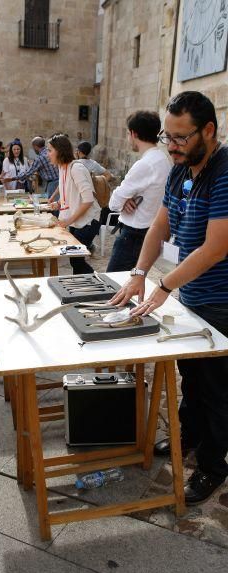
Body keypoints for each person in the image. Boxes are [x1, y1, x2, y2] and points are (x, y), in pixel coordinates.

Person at [110, 91, 228, 505]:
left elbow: (215, 247)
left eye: (180, 138)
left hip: (221, 300)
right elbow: (160, 227)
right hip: (193, 293)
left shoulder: (225, 171)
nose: (172, 146)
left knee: (216, 389)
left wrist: (163, 286)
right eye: (167, 137)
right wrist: (140, 273)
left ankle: (213, 466)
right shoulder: (180, 169)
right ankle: (189, 439)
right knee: (190, 377)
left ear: (208, 131)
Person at [106, 111, 171, 272]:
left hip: (134, 235)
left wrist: (124, 200)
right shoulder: (162, 159)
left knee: (114, 285)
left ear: (134, 133)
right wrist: (126, 200)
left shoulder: (145, 164)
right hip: (147, 230)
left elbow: (113, 203)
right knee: (130, 285)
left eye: (128, 133)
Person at [47, 134, 98, 274]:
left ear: (59, 151)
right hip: (77, 221)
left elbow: (88, 200)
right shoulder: (63, 168)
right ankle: (85, 286)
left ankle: (95, 281)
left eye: (50, 150)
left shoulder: (76, 168)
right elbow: (70, 193)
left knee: (76, 259)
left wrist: (68, 220)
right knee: (75, 260)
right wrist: (58, 203)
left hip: (88, 221)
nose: (48, 154)